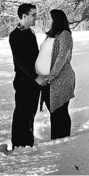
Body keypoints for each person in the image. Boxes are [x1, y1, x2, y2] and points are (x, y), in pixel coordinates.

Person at [8, 3, 46, 148]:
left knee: (30, 114)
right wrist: (35, 77)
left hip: (32, 81)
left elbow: (34, 57)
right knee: (22, 114)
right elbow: (20, 61)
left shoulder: (30, 32)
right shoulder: (16, 35)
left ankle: (27, 143)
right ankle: (19, 145)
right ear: (24, 16)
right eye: (33, 15)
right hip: (24, 81)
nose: (36, 18)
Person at [36, 9, 76, 139]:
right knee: (54, 111)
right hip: (50, 80)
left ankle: (62, 139)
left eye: (50, 18)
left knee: (60, 111)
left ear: (56, 20)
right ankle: (57, 138)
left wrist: (51, 76)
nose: (48, 21)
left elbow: (61, 57)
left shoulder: (64, 35)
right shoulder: (53, 35)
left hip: (61, 79)